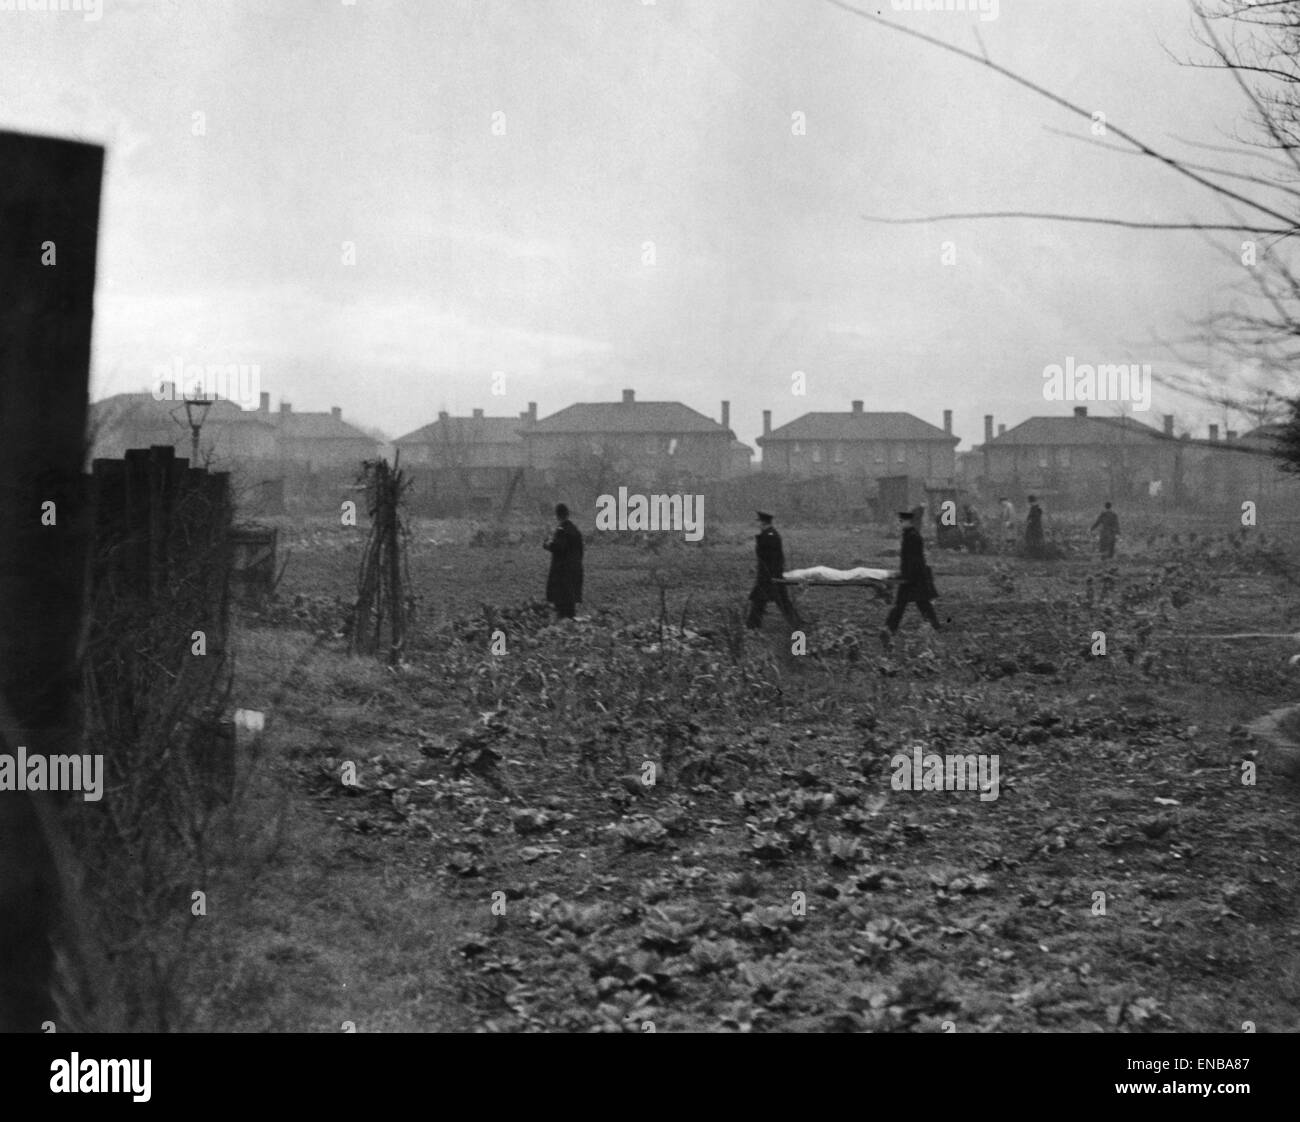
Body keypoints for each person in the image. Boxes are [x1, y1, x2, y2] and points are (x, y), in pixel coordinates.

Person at [881, 509, 941, 647]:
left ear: (909, 522)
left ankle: (889, 628)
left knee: (907, 604)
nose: (900, 524)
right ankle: (934, 626)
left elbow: (914, 560)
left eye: (902, 522)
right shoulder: (910, 535)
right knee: (918, 603)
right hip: (913, 576)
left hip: (914, 577)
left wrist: (907, 576)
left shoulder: (913, 537)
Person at [746, 511, 799, 630]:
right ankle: (752, 625)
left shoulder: (770, 536)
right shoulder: (768, 534)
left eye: (759, 521)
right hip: (768, 575)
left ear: (763, 522)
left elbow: (774, 558)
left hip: (769, 576)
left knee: (776, 601)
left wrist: (773, 576)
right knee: (762, 600)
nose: (757, 524)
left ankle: (752, 626)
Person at [543, 503, 583, 620]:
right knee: (570, 603)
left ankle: (563, 627)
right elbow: (580, 551)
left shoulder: (561, 530)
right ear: (567, 514)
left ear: (557, 516)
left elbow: (558, 547)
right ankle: (570, 626)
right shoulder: (575, 530)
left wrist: (547, 544)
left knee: (561, 602)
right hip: (575, 569)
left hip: (562, 572)